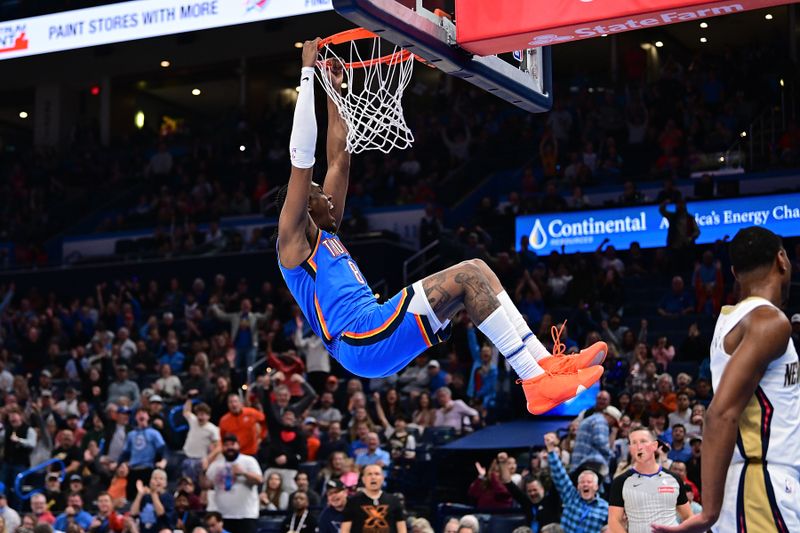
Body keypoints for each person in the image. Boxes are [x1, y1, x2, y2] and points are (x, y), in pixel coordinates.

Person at [277, 40, 606, 415]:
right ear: (304, 203)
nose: (328, 197)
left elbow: (339, 160)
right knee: (466, 276)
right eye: (318, 194)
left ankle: (544, 363)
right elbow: (302, 160)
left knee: (479, 269)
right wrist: (306, 73)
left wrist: (333, 88)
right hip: (359, 339)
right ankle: (533, 381)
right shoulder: (293, 243)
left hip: (373, 334)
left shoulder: (328, 229)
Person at [653, 227, 800, 533]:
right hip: (759, 485)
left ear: (734, 272)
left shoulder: (732, 318)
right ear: (782, 259)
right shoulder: (768, 321)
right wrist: (709, 512)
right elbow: (720, 414)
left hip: (753, 485)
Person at [607, 428, 691, 533]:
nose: (639, 447)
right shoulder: (620, 482)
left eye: (643, 441)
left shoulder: (673, 478)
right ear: (630, 449)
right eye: (634, 443)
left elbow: (688, 516)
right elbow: (614, 520)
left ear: (654, 446)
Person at [544, 433, 608, 533]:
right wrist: (551, 449)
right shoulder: (571, 496)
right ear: (578, 486)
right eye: (582, 482)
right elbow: (559, 473)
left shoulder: (605, 508)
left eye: (589, 482)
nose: (585, 484)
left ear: (596, 487)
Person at [205, 435, 263, 533]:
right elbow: (205, 485)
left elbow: (259, 480)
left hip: (246, 515)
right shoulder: (216, 464)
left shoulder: (249, 461)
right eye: (226, 445)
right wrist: (204, 469)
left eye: (232, 444)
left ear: (238, 445)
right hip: (223, 516)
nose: (229, 447)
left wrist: (244, 473)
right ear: (222, 447)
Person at [497, 452, 561, 530]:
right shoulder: (527, 502)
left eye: (535, 490)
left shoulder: (552, 500)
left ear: (542, 489)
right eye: (529, 491)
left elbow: (558, 478)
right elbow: (508, 482)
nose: (532, 493)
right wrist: (503, 463)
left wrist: (554, 456)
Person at [119, 408, 167, 503]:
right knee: (131, 499)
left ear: (148, 417)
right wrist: (120, 464)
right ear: (136, 417)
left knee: (148, 498)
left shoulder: (154, 433)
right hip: (133, 470)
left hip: (148, 469)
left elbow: (163, 449)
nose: (141, 415)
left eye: (144, 413)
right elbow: (125, 453)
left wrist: (164, 460)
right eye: (138, 413)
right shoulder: (131, 435)